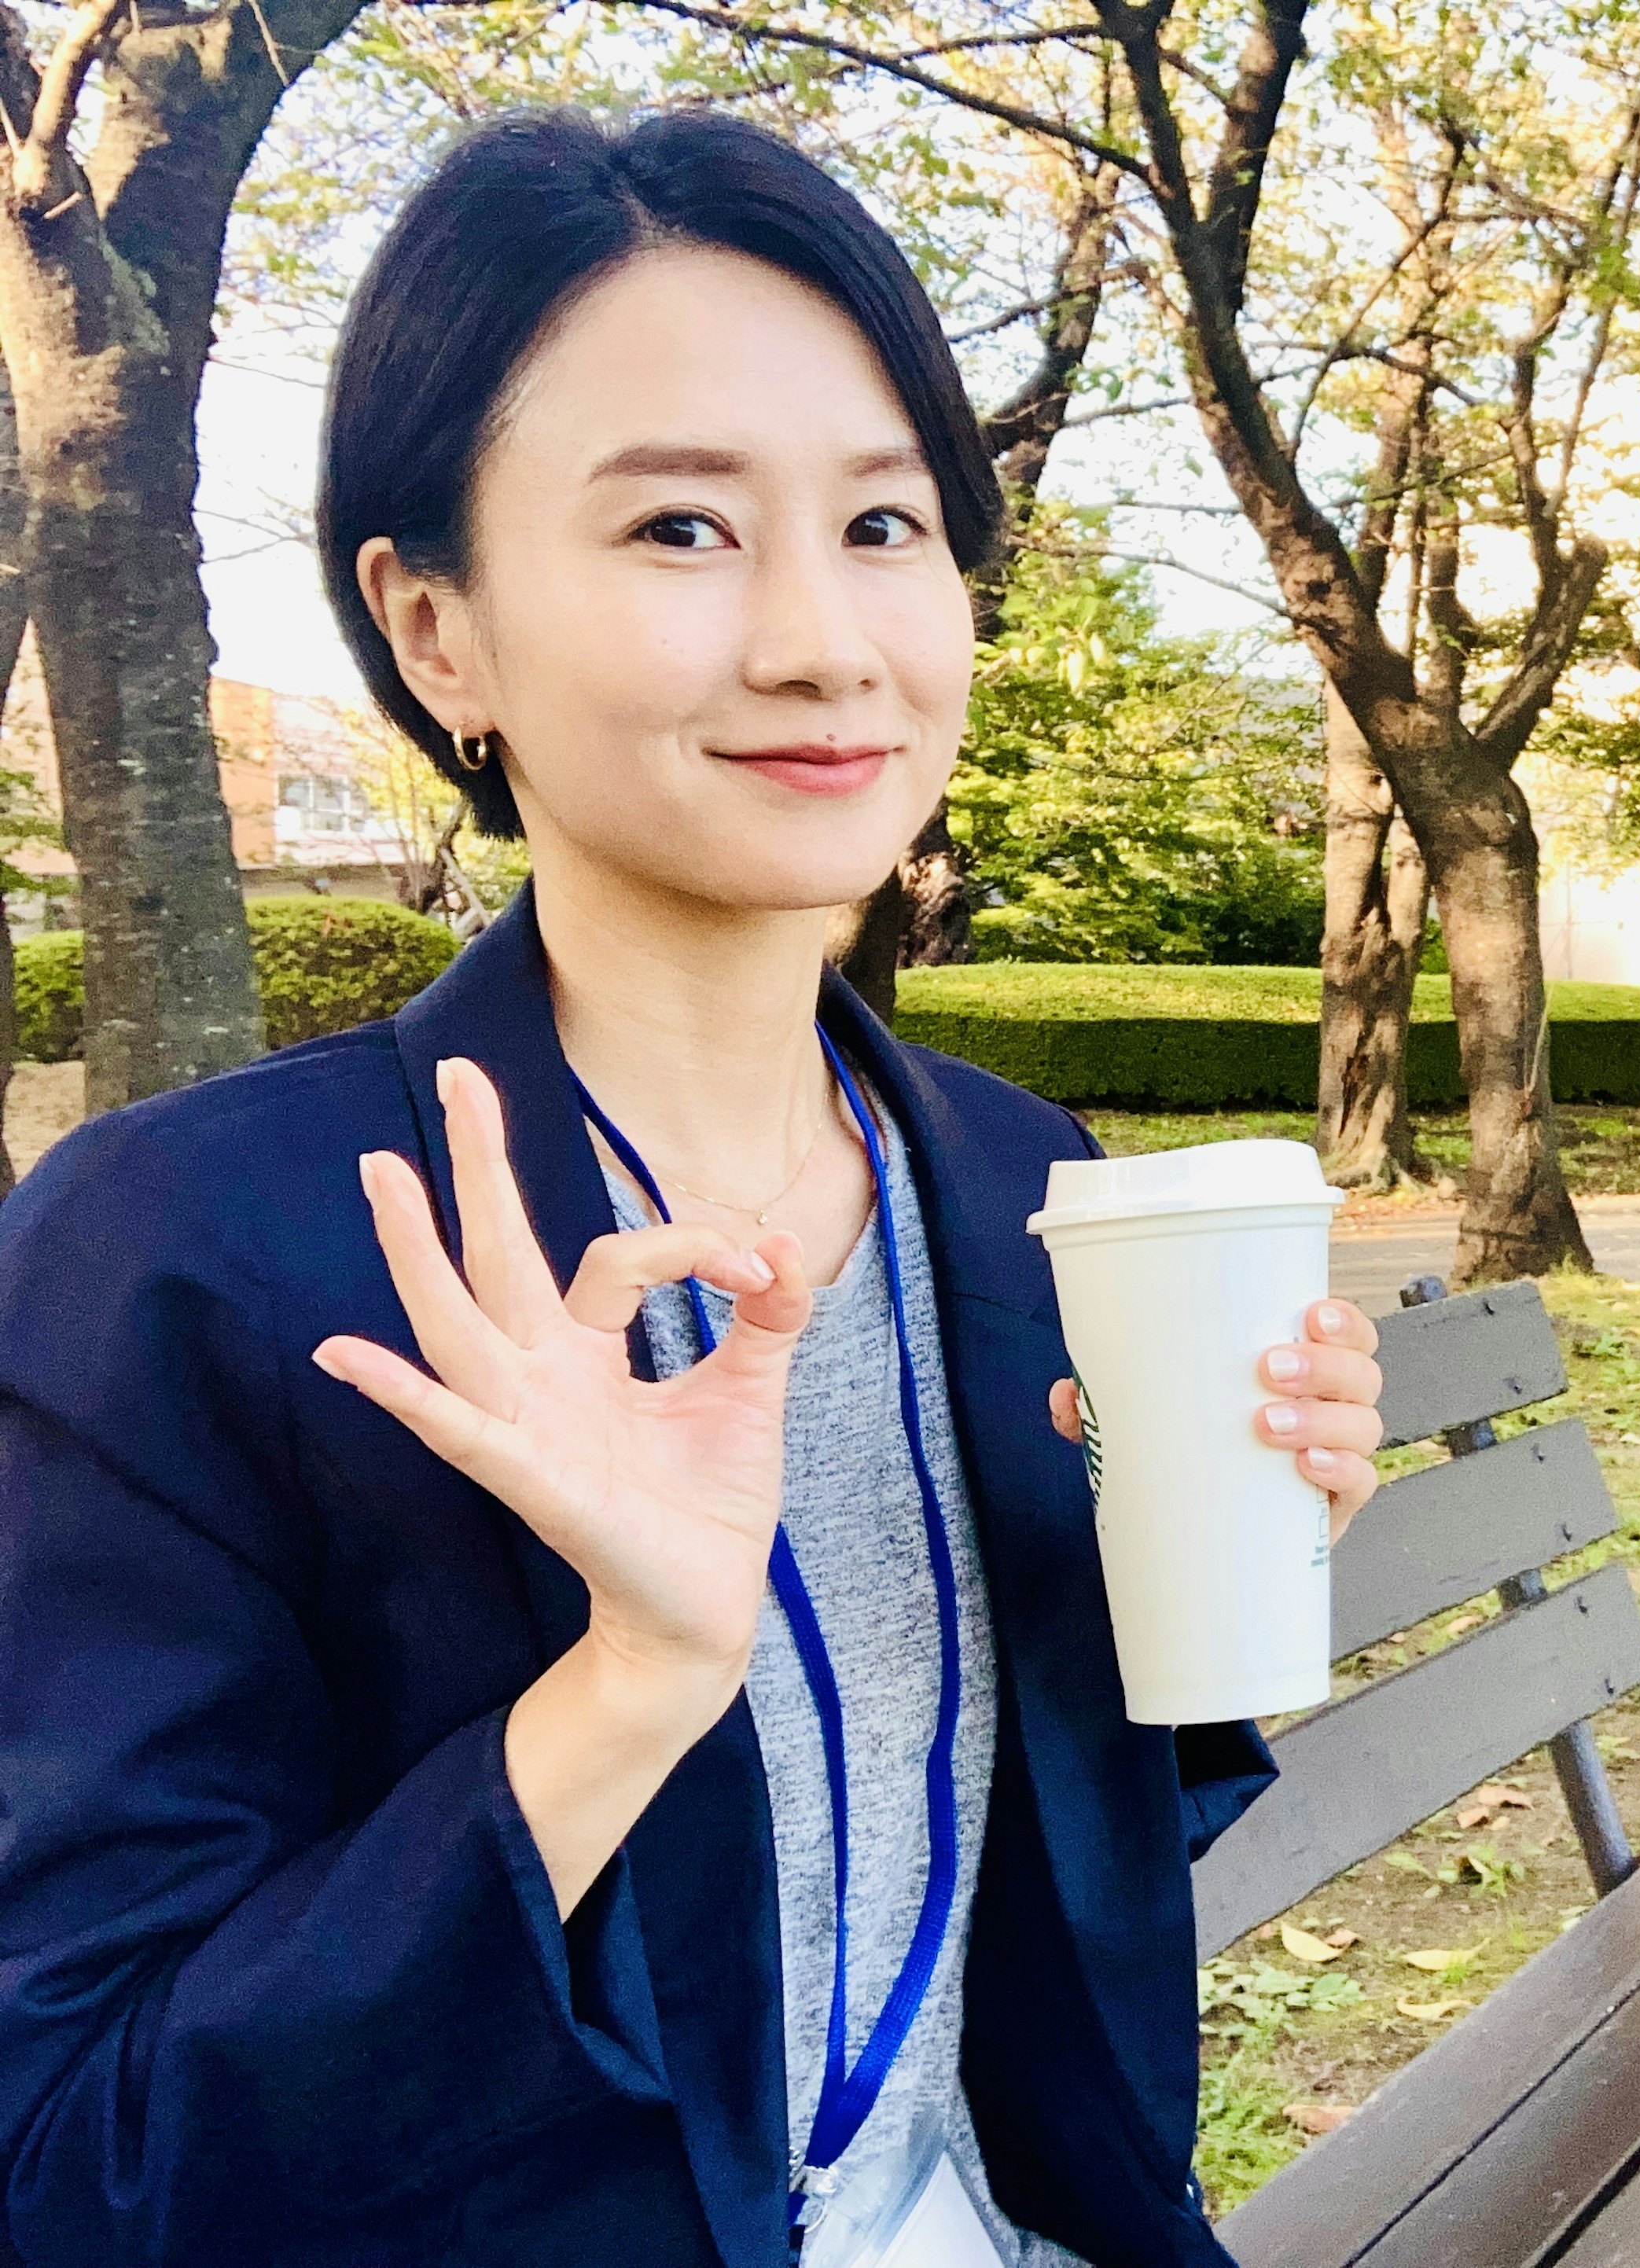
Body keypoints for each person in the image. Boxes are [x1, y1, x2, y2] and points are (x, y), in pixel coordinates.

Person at [0, 111, 1384, 2266]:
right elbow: (78, 2160)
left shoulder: (1018, 1189)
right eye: (678, 531)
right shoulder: (191, 1258)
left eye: (888, 526)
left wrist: (1197, 1562)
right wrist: (628, 1681)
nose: (827, 643)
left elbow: (1021, 1899)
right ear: (436, 628)